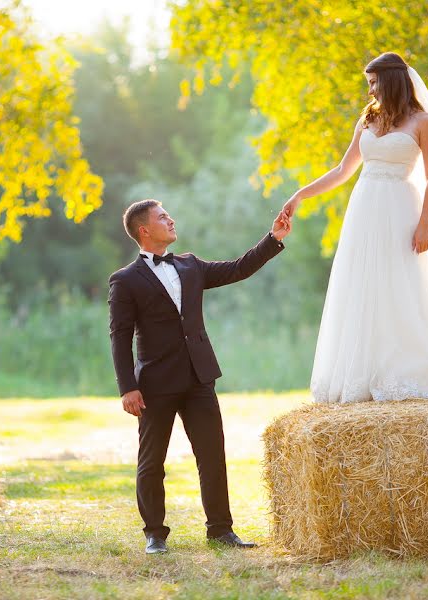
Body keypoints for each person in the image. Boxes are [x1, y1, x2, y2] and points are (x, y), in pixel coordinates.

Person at [279, 52, 428, 403]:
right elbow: (343, 171)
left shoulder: (423, 122)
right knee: (362, 285)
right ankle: (363, 372)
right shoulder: (367, 120)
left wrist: (425, 225)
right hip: (365, 211)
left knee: (401, 286)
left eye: (374, 83)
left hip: (400, 209)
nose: (370, 91)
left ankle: (406, 370)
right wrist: (299, 196)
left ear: (390, 81)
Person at [108, 199, 291, 554]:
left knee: (212, 455)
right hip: (155, 385)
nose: (171, 219)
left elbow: (238, 268)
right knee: (151, 462)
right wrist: (127, 387)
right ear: (144, 230)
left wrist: (273, 239)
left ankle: (221, 530)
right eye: (163, 217)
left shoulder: (191, 266)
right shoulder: (125, 280)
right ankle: (155, 535)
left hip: (199, 378)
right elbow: (119, 336)